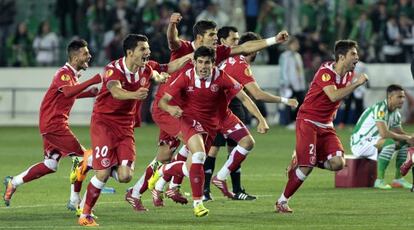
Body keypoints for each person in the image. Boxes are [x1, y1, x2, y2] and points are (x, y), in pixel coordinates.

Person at [125, 12, 289, 210]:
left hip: (188, 111)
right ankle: (170, 187)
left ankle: (146, 189)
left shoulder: (215, 53)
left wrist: (274, 40)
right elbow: (172, 39)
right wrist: (171, 24)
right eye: (212, 34)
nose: (216, 38)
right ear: (200, 37)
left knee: (168, 154)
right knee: (194, 152)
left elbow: (245, 47)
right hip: (168, 108)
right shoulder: (184, 48)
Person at [77, 34, 181, 227]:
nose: (147, 52)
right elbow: (115, 91)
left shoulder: (146, 68)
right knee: (103, 173)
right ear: (130, 52)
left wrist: (162, 77)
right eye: (143, 49)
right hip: (104, 123)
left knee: (125, 176)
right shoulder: (113, 69)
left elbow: (157, 75)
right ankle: (85, 214)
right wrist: (134, 94)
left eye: (147, 48)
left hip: (126, 126)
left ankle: (93, 161)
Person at [156, 46, 269, 217]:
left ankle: (165, 171)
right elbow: (163, 101)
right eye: (200, 62)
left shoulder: (221, 77)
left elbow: (244, 98)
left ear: (213, 63)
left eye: (207, 62)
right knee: (200, 157)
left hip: (215, 122)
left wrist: (261, 119)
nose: (203, 66)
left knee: (191, 168)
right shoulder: (185, 77)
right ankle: (198, 203)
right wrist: (170, 109)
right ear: (194, 62)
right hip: (191, 121)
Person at [3, 39, 102, 207]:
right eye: (85, 53)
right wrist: (92, 81)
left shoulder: (71, 75)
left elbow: (67, 94)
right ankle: (75, 200)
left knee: (50, 164)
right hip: (54, 124)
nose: (89, 56)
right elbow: (68, 91)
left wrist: (87, 93)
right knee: (83, 159)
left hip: (51, 124)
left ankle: (14, 182)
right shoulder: (63, 73)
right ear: (75, 57)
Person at [203, 28, 298, 201]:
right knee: (215, 149)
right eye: (257, 48)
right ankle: (204, 190)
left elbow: (245, 95)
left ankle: (234, 189)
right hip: (219, 108)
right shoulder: (239, 63)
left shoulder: (230, 59)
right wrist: (285, 100)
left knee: (235, 148)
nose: (258, 52)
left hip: (232, 103)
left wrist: (260, 118)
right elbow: (258, 94)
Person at [275, 40, 368, 213]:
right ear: (342, 57)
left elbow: (336, 100)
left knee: (338, 163)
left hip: (326, 124)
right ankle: (282, 201)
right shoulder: (326, 72)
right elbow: (333, 96)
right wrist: (357, 83)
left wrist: (333, 112)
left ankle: (303, 158)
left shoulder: (348, 73)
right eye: (353, 54)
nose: (357, 57)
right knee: (306, 168)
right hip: (308, 121)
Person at [351, 84, 414, 189]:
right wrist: (406, 137)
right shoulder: (380, 108)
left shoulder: (396, 114)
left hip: (375, 141)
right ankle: (379, 180)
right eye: (399, 97)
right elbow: (384, 133)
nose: (402, 100)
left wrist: (410, 137)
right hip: (360, 142)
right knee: (390, 142)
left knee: (405, 143)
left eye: (403, 97)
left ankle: (398, 179)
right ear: (390, 97)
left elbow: (400, 133)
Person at [279, 36, 306, 128]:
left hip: (299, 84)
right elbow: (283, 71)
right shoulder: (285, 56)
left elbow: (300, 71)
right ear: (289, 45)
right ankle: (288, 122)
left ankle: (295, 120)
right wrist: (286, 83)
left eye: (297, 44)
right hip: (289, 84)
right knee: (288, 103)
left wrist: (303, 83)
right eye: (294, 44)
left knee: (301, 102)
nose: (296, 46)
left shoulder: (298, 56)